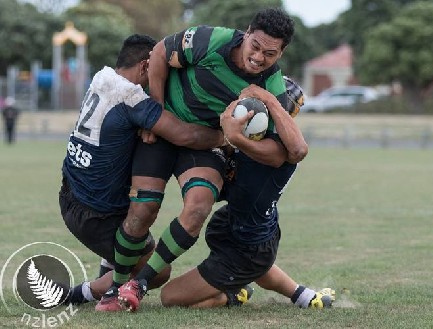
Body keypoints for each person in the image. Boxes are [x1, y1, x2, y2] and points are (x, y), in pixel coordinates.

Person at [98, 8, 300, 313]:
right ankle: (114, 286)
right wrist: (156, 109)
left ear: (282, 51)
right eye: (255, 47)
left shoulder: (272, 86)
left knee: (198, 206)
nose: (259, 58)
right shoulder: (210, 40)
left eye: (270, 53)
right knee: (143, 209)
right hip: (165, 130)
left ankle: (137, 285)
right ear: (246, 33)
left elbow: (284, 152)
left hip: (204, 143)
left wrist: (236, 138)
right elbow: (160, 53)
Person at [59, 34, 224, 311]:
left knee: (132, 217)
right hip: (97, 216)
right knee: (158, 272)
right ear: (147, 65)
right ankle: (78, 294)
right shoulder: (130, 96)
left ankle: (104, 274)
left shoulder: (103, 77)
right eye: (159, 69)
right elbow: (184, 135)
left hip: (70, 196)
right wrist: (225, 138)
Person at [159, 78, 335, 309]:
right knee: (258, 266)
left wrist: (240, 134)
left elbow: (297, 149)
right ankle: (305, 296)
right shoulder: (258, 136)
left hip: (249, 246)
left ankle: (233, 295)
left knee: (170, 297)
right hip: (247, 227)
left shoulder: (282, 150)